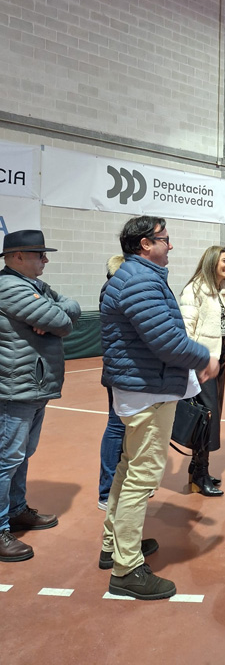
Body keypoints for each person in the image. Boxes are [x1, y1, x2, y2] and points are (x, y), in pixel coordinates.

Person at [100, 216, 218, 600]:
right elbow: (165, 340)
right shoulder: (140, 280)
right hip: (147, 393)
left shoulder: (137, 276)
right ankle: (126, 569)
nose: (171, 245)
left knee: (127, 470)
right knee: (142, 478)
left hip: (142, 389)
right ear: (145, 244)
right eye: (165, 239)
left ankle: (114, 545)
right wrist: (204, 357)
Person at [0, 229, 80, 563]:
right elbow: (62, 321)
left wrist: (56, 312)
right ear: (17, 256)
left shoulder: (35, 286)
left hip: (31, 386)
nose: (45, 260)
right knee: (6, 459)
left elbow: (72, 307)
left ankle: (16, 510)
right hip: (15, 389)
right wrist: (55, 315)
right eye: (39, 254)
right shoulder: (9, 286)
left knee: (20, 456)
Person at [179, 246, 225, 497]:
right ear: (212, 262)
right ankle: (200, 473)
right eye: (224, 260)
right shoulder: (194, 290)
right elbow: (186, 329)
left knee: (208, 417)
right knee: (206, 418)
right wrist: (198, 360)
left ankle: (197, 468)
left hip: (220, 361)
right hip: (203, 364)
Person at [97, 255, 126, 511]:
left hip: (124, 369)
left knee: (125, 426)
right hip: (120, 370)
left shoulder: (113, 288)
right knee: (117, 426)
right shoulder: (114, 290)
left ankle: (119, 487)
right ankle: (107, 492)